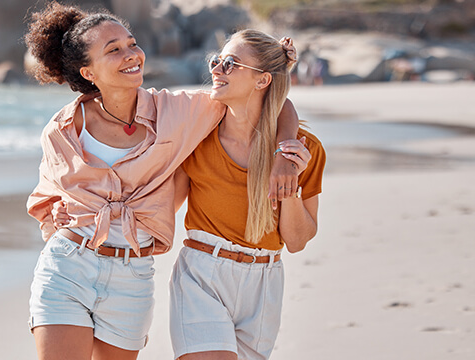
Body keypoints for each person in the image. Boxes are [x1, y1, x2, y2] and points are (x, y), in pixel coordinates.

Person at [24, 3, 300, 360]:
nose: (131, 55)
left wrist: (286, 154)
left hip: (131, 275)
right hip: (68, 266)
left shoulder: (178, 111)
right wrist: (55, 219)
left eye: (131, 43)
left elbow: (272, 101)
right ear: (88, 72)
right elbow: (46, 198)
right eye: (114, 50)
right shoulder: (61, 129)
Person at [169, 30, 326, 360]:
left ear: (262, 80)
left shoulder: (304, 150)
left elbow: (296, 242)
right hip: (202, 276)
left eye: (230, 63)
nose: (216, 70)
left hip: (265, 282)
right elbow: (164, 205)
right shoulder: (196, 136)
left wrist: (290, 185)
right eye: (216, 61)